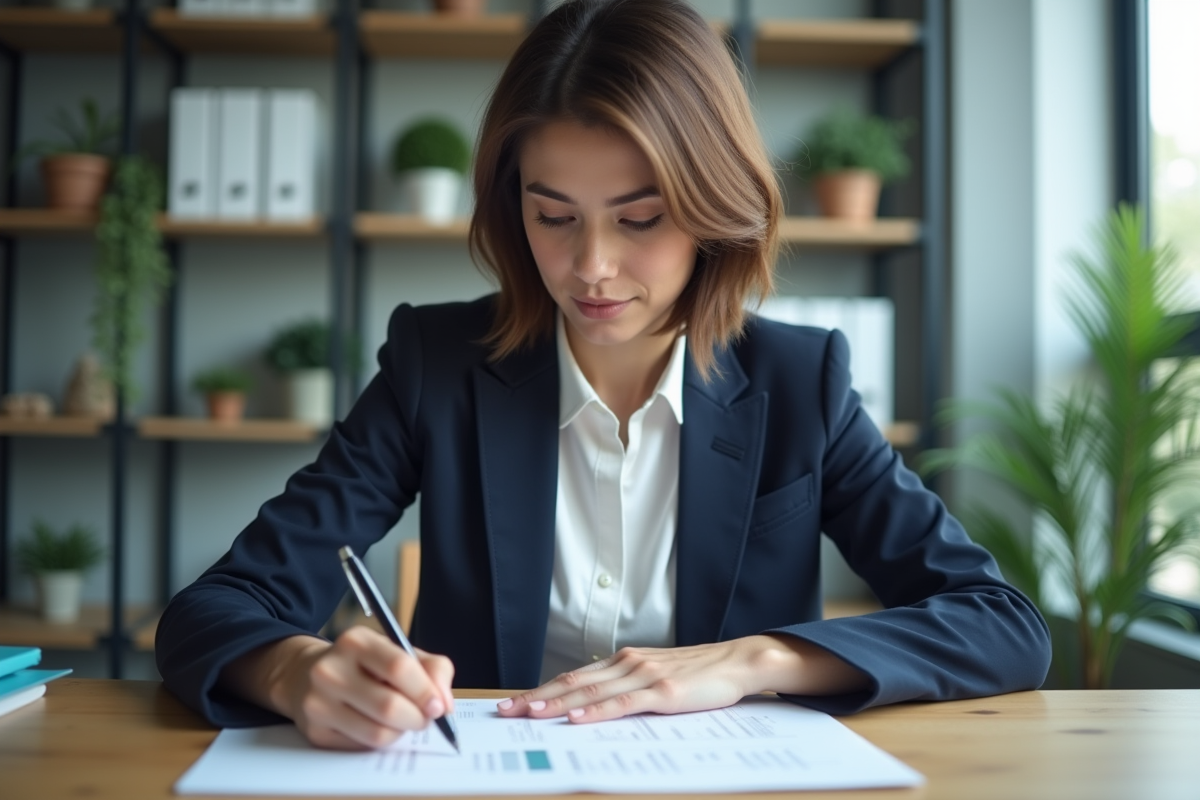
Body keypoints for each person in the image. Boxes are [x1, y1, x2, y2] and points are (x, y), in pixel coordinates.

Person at [156, 0, 1050, 750]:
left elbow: (999, 624)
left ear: (714, 210)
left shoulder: (799, 380)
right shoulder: (438, 366)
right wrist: (297, 668)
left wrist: (749, 660)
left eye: (640, 218)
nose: (590, 267)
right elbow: (218, 607)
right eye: (554, 216)